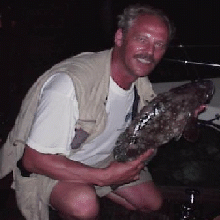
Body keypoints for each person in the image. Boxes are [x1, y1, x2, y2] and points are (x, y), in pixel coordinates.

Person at [0, 4, 176, 220]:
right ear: (120, 37)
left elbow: (148, 131)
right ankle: (80, 196)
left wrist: (183, 120)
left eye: (159, 45)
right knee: (84, 205)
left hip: (102, 160)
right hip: (51, 168)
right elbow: (33, 160)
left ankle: (96, 186)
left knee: (153, 203)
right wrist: (103, 177)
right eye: (142, 39)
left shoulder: (141, 85)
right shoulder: (69, 86)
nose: (149, 52)